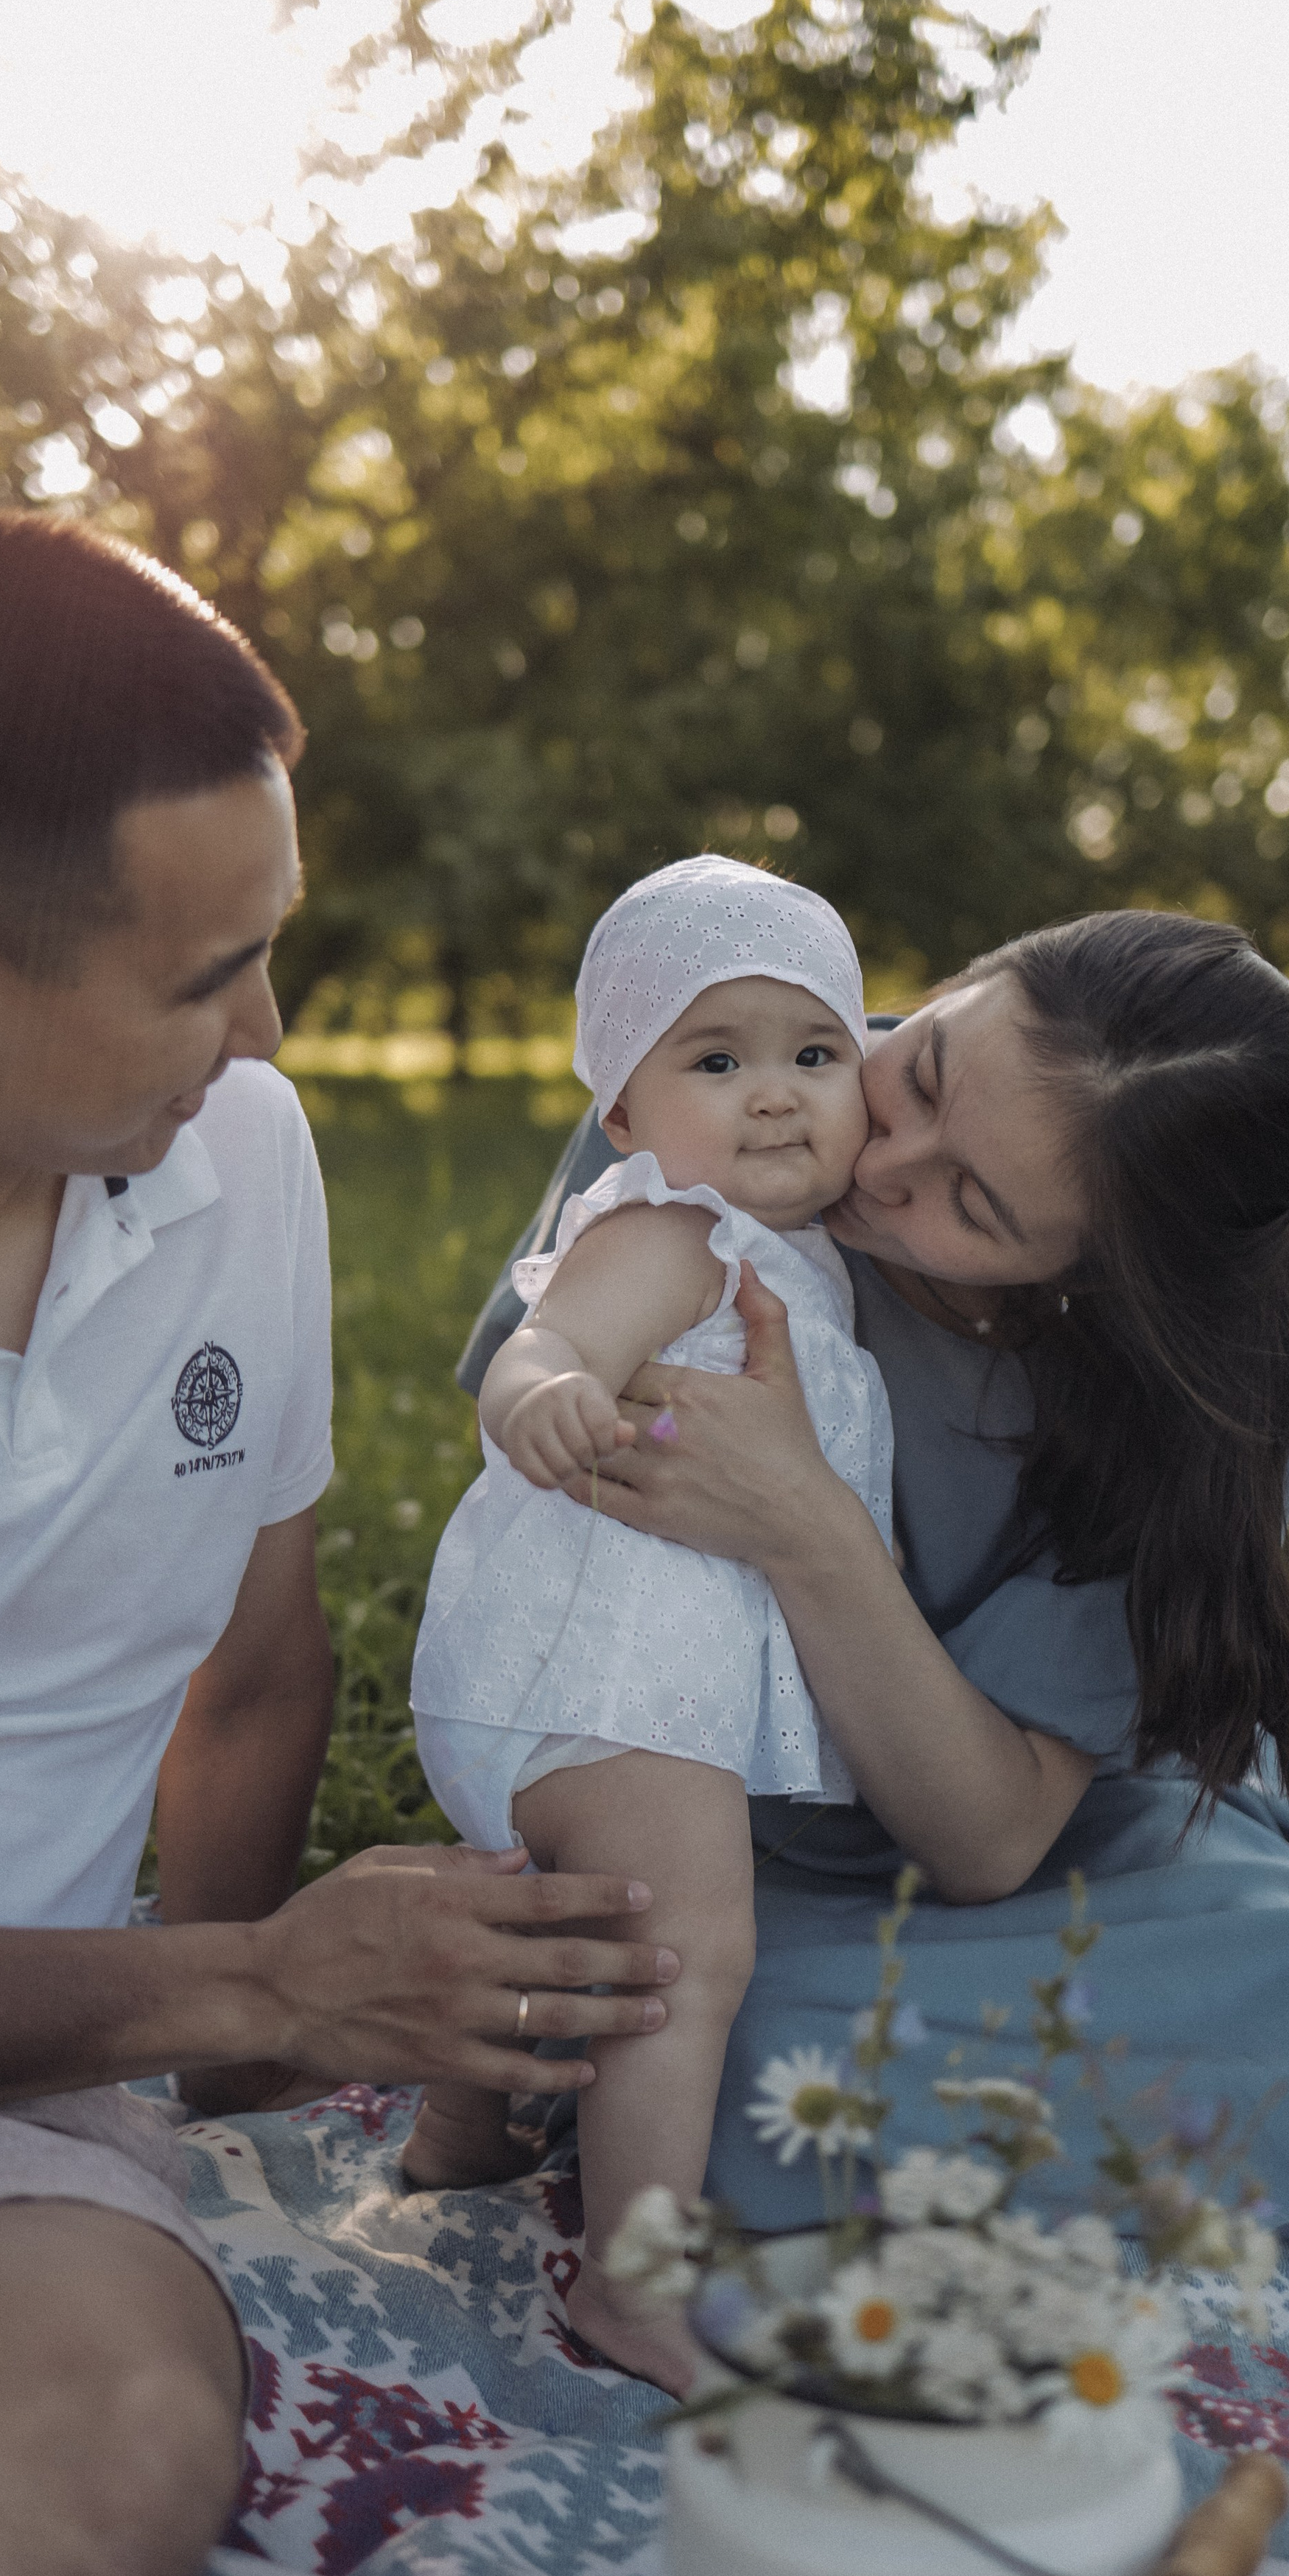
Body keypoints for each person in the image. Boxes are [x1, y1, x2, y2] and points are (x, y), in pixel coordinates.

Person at [0, 513, 681, 2576]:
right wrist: (242, 1979)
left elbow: (254, 1672)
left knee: (69, 2468)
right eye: (202, 975)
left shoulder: (235, 1159)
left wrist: (256, 2054)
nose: (265, 1032)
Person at [461, 907, 1289, 2282]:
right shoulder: (719, 1070)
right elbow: (550, 1479)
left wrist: (809, 1528)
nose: (879, 1159)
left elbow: (990, 1839)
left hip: (1030, 1845)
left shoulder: (1205, 1417)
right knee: (696, 2050)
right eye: (932, 1067)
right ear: (963, 973)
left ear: (1092, 1277)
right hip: (705, 1825)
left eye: (975, 1206)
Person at [407, 856, 891, 2390]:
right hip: (597, 1674)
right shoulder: (672, 1228)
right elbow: (542, 1337)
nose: (771, 1097)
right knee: (689, 1955)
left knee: (560, 1932)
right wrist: (541, 1394)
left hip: (610, 1685)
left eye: (814, 1055)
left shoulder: (805, 1262)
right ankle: (632, 2289)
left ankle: (455, 2137)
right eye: (714, 1057)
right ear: (618, 1114)